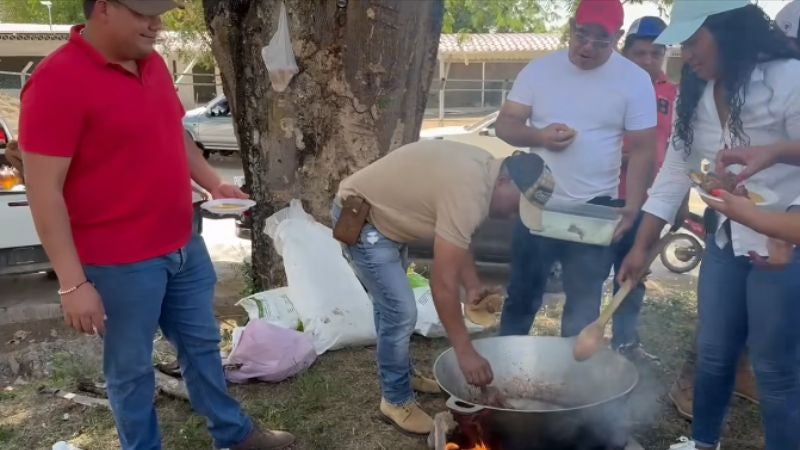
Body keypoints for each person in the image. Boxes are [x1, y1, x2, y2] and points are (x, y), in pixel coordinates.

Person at [18, 1, 294, 449]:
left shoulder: (153, 64)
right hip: (119, 263)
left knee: (203, 348)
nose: (157, 24)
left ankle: (234, 435)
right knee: (130, 370)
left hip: (184, 243)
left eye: (160, 12)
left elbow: (174, 131)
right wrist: (72, 283)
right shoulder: (56, 81)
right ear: (104, 8)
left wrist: (213, 183)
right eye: (145, 13)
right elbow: (43, 191)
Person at [616, 2, 800, 449]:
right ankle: (703, 444)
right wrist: (642, 245)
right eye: (683, 44)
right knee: (714, 356)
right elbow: (676, 171)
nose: (687, 54)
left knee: (775, 369)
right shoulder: (695, 89)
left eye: (695, 41)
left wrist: (787, 221)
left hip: (784, 243)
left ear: (730, 32)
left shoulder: (787, 78)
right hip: (727, 235)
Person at [332, 140, 553, 436]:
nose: (515, 214)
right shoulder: (469, 190)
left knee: (390, 307)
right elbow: (443, 282)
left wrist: (472, 283)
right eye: (517, 205)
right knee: (400, 313)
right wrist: (465, 351)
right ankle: (395, 400)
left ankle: (403, 375)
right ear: (505, 181)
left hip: (388, 220)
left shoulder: (485, 171)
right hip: (366, 219)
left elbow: (461, 233)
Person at [496, 0, 657, 338]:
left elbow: (644, 150)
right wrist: (539, 135)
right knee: (522, 295)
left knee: (583, 304)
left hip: (595, 209)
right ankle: (507, 369)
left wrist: (632, 208)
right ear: (571, 26)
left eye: (601, 41)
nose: (587, 47)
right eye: (581, 35)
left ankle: (572, 382)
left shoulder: (634, 81)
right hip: (537, 203)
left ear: (618, 37)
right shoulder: (539, 71)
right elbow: (506, 126)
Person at [611, 16, 677, 360]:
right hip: (609, 197)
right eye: (640, 53)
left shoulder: (672, 93)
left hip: (650, 203)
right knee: (589, 273)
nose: (649, 61)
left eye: (656, 53)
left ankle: (624, 343)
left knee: (633, 274)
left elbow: (676, 147)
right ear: (626, 53)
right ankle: (575, 341)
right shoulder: (611, 86)